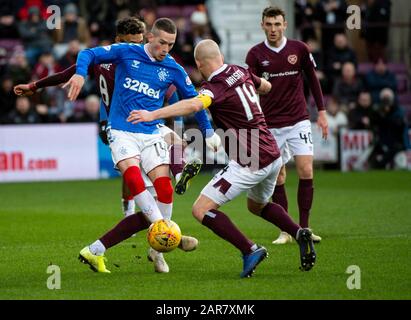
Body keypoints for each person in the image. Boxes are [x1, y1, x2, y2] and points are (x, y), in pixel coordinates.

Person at [128, 39, 317, 278]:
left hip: (250, 161)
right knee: (256, 206)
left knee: (201, 209)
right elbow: (267, 86)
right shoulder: (241, 71)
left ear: (199, 63)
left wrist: (152, 114)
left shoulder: (214, 86)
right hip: (272, 156)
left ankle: (250, 249)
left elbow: (195, 105)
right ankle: (300, 233)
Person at [62, 18, 222, 274]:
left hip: (150, 133)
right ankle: (169, 235)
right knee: (135, 179)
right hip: (121, 130)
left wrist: (208, 131)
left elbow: (194, 100)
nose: (166, 49)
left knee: (165, 190)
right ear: (149, 37)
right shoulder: (127, 52)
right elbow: (88, 52)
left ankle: (135, 249)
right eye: (162, 43)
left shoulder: (174, 69)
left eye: (171, 44)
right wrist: (80, 74)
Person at [246, 6, 328, 244]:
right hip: (270, 123)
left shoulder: (299, 49)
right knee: (279, 176)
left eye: (277, 24)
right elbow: (250, 88)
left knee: (306, 170)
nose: (273, 29)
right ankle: (286, 231)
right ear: (262, 25)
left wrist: (321, 112)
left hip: (298, 120)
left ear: (285, 25)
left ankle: (305, 228)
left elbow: (312, 80)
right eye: (269, 24)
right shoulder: (254, 54)